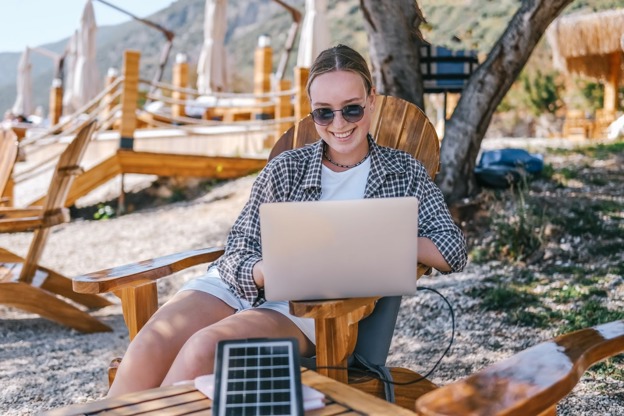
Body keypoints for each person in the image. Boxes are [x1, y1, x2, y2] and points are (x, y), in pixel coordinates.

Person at [107, 44, 467, 396]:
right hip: (238, 283)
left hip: (309, 306)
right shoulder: (286, 168)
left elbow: (452, 250)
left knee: (204, 349)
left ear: (371, 100)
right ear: (312, 111)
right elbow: (239, 248)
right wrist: (266, 271)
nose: (339, 123)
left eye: (352, 109)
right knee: (149, 346)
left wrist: (378, 242)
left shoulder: (402, 172)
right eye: (324, 113)